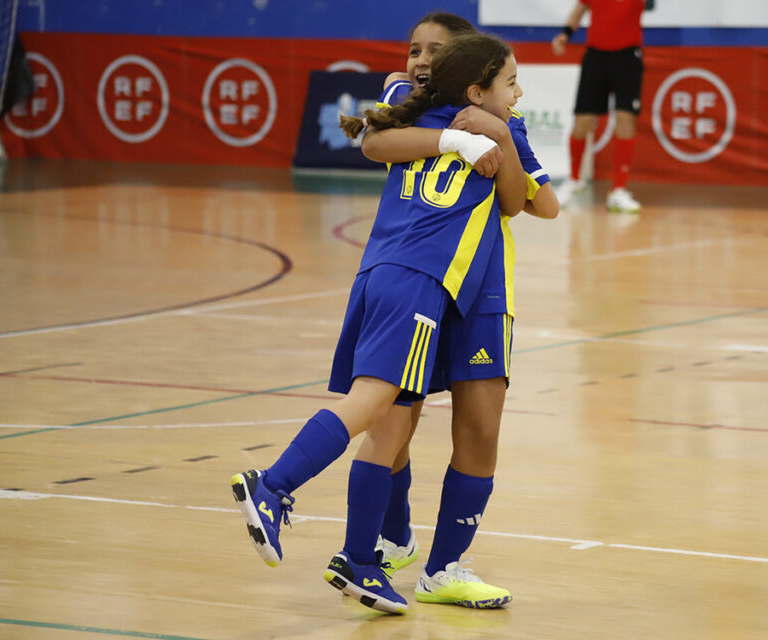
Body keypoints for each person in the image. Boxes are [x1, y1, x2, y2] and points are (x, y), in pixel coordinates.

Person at [230, 33, 534, 615]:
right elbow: (517, 202)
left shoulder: (414, 111)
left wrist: (488, 134)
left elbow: (379, 141)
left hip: (381, 271)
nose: (518, 92)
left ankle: (361, 561)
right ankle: (272, 486)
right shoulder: (449, 120)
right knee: (374, 400)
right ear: (476, 89)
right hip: (422, 279)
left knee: (388, 424)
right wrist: (480, 138)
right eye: (510, 82)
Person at [358, 16, 558, 609]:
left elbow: (537, 204)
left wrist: (497, 133)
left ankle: (444, 568)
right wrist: (454, 139)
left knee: (479, 426)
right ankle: (390, 539)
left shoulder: (504, 121)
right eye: (415, 49)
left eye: (436, 52)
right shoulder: (401, 96)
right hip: (420, 282)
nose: (422, 60)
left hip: (484, 290)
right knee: (395, 420)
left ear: (467, 70)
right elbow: (372, 142)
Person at [552, 0, 646, 213]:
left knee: (625, 119)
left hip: (628, 57)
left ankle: (618, 190)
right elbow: (579, 9)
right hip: (596, 57)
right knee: (581, 122)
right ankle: (574, 180)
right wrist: (565, 33)